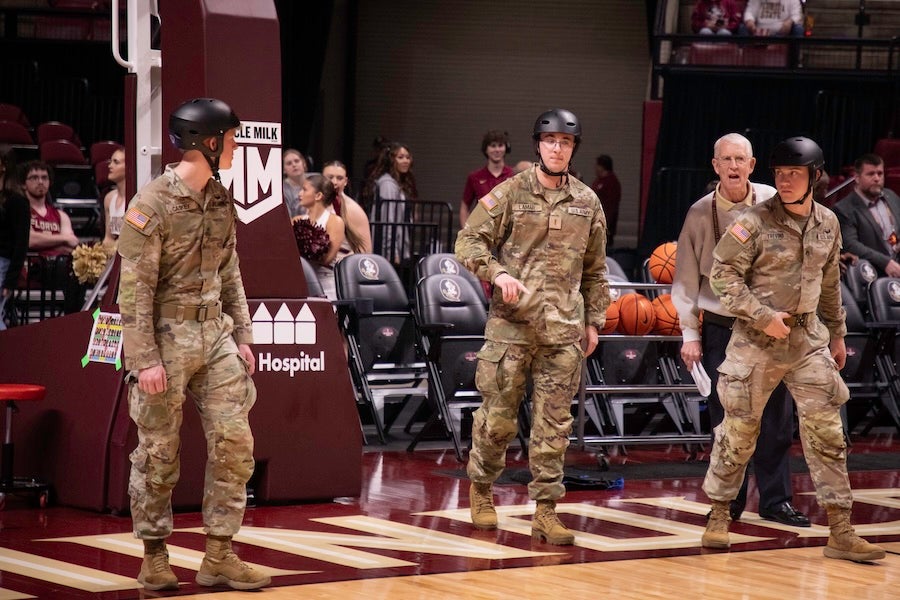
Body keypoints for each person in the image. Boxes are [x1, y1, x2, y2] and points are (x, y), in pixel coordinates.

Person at [701, 136, 885, 563]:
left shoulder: (828, 223)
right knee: (738, 433)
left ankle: (840, 530)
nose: (784, 182)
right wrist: (761, 315)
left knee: (828, 436)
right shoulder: (753, 221)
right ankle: (718, 517)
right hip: (757, 342)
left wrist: (837, 335)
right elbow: (722, 275)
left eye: (794, 174)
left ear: (814, 177)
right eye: (779, 174)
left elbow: (828, 285)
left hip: (807, 343)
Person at [117, 98, 271, 591]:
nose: (235, 147)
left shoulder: (220, 198)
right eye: (230, 139)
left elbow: (231, 272)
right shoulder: (153, 203)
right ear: (207, 142)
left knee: (235, 444)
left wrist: (243, 334)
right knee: (158, 452)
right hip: (165, 339)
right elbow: (133, 289)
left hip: (215, 336)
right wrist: (143, 360)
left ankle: (219, 555)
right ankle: (155, 557)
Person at [456, 108, 609, 546]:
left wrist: (593, 320)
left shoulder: (587, 201)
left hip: (563, 332)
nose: (557, 148)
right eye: (550, 141)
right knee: (498, 420)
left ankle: (545, 510)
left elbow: (596, 269)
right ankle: (482, 489)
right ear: (537, 146)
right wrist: (496, 273)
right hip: (511, 329)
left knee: (554, 426)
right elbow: (468, 241)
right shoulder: (508, 193)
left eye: (565, 142)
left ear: (574, 148)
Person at [672, 133, 809, 527]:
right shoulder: (699, 214)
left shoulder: (774, 200)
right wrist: (690, 335)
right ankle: (726, 500)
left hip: (772, 326)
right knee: (726, 419)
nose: (733, 166)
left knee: (778, 419)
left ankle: (776, 500)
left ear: (752, 166)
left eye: (741, 159)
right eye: (726, 159)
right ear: (715, 165)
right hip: (722, 327)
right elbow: (683, 281)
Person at [24, 160, 84, 314]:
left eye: (44, 177)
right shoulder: (22, 212)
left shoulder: (60, 215)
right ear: (24, 184)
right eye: (34, 178)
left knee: (82, 269)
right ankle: (73, 318)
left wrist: (44, 240)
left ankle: (74, 318)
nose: (40, 182)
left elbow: (73, 242)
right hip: (34, 268)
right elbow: (29, 240)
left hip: (60, 267)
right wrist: (61, 239)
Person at [833, 153, 900, 278]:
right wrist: (885, 262)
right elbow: (851, 245)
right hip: (872, 274)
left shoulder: (891, 196)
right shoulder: (844, 209)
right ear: (857, 178)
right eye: (871, 174)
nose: (876, 178)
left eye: (880, 173)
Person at [295, 173, 347, 300]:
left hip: (326, 284)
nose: (299, 194)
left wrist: (304, 251)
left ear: (318, 195)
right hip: (302, 283)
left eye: (305, 189)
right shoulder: (296, 220)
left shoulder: (335, 222)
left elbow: (327, 259)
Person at [369, 141, 417, 262]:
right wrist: (391, 252)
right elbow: (388, 220)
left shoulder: (398, 183)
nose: (406, 161)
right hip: (389, 253)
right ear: (391, 160)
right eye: (400, 157)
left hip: (400, 247)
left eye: (407, 157)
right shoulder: (387, 184)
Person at [459, 130, 515, 228]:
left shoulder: (513, 175)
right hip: (482, 230)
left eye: (500, 145)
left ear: (506, 148)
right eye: (493, 146)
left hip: (507, 232)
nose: (497, 149)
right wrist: (466, 232)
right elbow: (464, 207)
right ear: (486, 149)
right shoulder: (475, 177)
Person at [0, 150, 29, 329]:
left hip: (2, 264)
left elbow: (21, 243)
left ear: (3, 165)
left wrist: (10, 280)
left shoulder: (16, 201)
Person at [322, 160, 373, 254]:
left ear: (345, 181)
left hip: (340, 263)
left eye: (339, 178)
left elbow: (365, 249)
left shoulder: (353, 209)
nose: (334, 182)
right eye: (330, 177)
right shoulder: (312, 202)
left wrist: (344, 265)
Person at [590, 154, 622, 248]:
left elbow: (611, 206)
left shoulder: (612, 183)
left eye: (597, 166)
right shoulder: (598, 181)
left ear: (602, 167)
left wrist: (606, 224)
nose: (595, 168)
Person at [102, 146, 127, 246]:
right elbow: (108, 238)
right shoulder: (109, 198)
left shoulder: (136, 199)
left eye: (116, 162)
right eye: (110, 161)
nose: (110, 166)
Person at [740, 0, 804, 37]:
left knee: (798, 29)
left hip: (781, 34)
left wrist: (790, 22)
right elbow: (749, 12)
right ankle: (743, 56)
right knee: (742, 27)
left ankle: (793, 59)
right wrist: (749, 21)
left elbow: (797, 15)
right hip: (758, 32)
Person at [282, 148, 308, 220]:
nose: (294, 165)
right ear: (284, 170)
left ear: (304, 163)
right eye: (289, 163)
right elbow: (287, 221)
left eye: (297, 161)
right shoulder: (282, 190)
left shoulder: (316, 179)